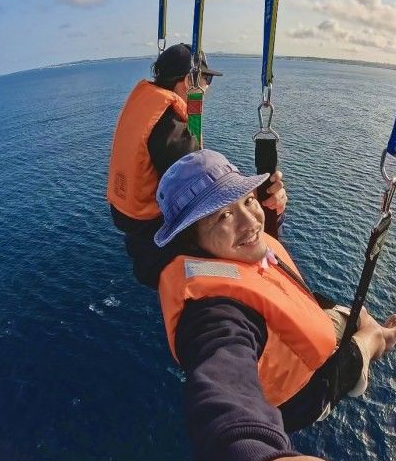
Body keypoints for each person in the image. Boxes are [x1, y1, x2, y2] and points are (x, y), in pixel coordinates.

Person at [153, 149, 396, 461]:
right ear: (191, 240)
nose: (248, 220)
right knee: (371, 335)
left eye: (247, 200)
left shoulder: (232, 253)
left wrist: (271, 214)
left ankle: (367, 327)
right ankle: (379, 342)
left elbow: (259, 245)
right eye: (223, 215)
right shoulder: (214, 313)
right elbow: (221, 378)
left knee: (356, 315)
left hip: (302, 329)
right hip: (308, 389)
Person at [106, 43, 286, 287]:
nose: (208, 87)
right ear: (187, 82)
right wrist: (264, 204)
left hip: (129, 217)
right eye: (207, 79)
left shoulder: (148, 105)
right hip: (152, 232)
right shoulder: (171, 131)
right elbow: (206, 199)